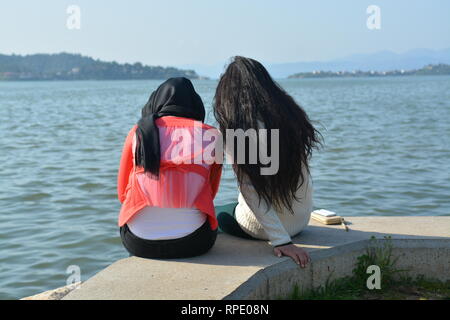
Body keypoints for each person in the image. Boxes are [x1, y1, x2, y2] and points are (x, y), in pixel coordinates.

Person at [213, 57, 321, 267]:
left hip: (266, 230)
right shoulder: (291, 115)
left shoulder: (238, 130)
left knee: (215, 214)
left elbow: (250, 190)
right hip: (301, 220)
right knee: (232, 206)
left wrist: (282, 241)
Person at [117, 77, 222, 259]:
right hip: (194, 242)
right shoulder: (211, 135)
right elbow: (211, 192)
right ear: (196, 104)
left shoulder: (137, 133)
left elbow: (122, 194)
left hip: (138, 243)